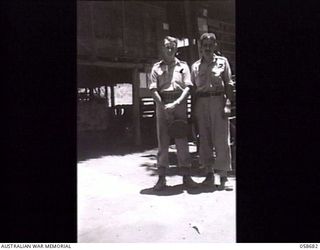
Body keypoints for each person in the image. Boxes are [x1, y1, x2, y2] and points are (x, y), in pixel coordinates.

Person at [149, 36, 197, 191]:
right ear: (162, 48)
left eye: (172, 47)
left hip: (179, 104)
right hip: (162, 104)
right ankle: (161, 178)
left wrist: (176, 104)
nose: (169, 49)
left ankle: (186, 177)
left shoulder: (183, 66)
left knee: (182, 141)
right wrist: (164, 106)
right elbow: (153, 89)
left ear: (176, 49)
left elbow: (188, 88)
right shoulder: (156, 68)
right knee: (162, 142)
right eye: (166, 47)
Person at [191, 33, 233, 189]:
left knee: (222, 140)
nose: (207, 48)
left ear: (215, 46)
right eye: (204, 45)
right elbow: (194, 90)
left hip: (218, 101)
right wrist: (193, 112)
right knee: (205, 140)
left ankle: (223, 177)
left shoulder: (223, 62)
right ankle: (209, 175)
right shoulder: (195, 66)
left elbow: (229, 84)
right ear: (201, 47)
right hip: (201, 103)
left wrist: (228, 103)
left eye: (210, 45)